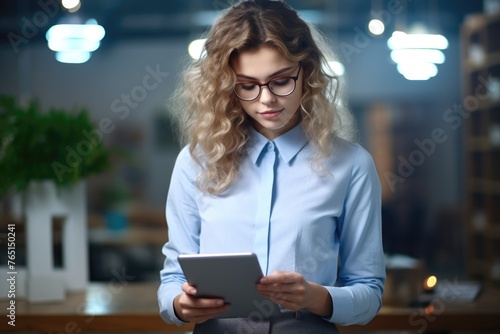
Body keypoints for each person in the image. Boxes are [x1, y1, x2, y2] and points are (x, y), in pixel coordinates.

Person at [158, 0, 385, 333]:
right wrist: (180, 305)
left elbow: (369, 291)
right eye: (247, 85)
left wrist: (314, 296)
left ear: (307, 73)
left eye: (281, 81)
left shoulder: (352, 165)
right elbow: (173, 278)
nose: (266, 100)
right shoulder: (195, 163)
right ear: (226, 86)